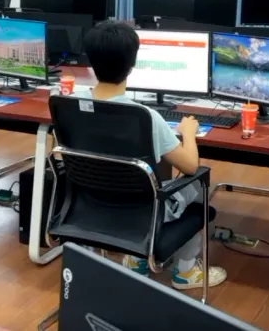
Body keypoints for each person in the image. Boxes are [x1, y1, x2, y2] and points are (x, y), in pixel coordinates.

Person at [73, 21, 227, 290]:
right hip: (142, 212)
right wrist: (188, 133)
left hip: (90, 205)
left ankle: (137, 260)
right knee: (197, 185)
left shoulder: (72, 104)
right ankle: (186, 271)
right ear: (132, 65)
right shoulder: (145, 117)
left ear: (90, 60)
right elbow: (190, 166)